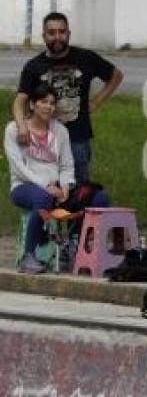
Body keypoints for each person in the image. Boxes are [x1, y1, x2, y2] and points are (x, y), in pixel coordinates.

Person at [5, 83, 109, 274]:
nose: (49, 107)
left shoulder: (60, 131)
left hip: (57, 189)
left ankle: (76, 246)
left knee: (98, 197)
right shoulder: (14, 130)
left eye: (52, 103)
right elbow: (19, 169)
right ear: (32, 105)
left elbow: (67, 166)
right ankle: (29, 256)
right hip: (25, 187)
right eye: (44, 102)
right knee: (42, 198)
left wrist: (67, 186)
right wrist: (46, 186)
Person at [15, 12, 124, 183]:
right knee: (45, 187)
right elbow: (20, 100)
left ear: (68, 34)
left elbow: (116, 76)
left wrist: (96, 101)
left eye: (62, 31)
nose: (57, 37)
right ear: (44, 36)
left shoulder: (86, 58)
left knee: (79, 190)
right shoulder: (33, 66)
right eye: (51, 33)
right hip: (44, 139)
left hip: (77, 137)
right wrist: (22, 127)